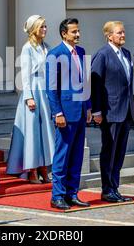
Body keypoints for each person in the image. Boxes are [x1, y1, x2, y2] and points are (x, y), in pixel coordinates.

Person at [46, 18, 92, 210]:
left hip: (80, 112)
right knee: (62, 156)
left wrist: (88, 106)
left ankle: (72, 193)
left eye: (78, 31)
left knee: (77, 156)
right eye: (74, 32)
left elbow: (85, 81)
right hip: (65, 113)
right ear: (64, 34)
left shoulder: (81, 52)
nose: (78, 34)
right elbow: (51, 88)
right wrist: (57, 112)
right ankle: (57, 195)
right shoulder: (55, 54)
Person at [6, 15, 55, 184]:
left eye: (45, 26)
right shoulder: (27, 48)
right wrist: (28, 97)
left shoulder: (46, 47)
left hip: (45, 92)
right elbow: (25, 75)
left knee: (45, 132)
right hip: (33, 90)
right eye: (41, 27)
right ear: (34, 29)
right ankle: (31, 169)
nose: (45, 29)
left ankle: (44, 168)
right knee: (32, 132)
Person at [91, 21, 134, 203]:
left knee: (119, 153)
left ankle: (115, 187)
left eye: (123, 32)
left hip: (125, 111)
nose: (123, 35)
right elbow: (95, 84)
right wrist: (96, 111)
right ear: (109, 36)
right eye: (119, 33)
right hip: (110, 111)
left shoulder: (126, 54)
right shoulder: (102, 55)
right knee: (109, 151)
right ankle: (106, 189)